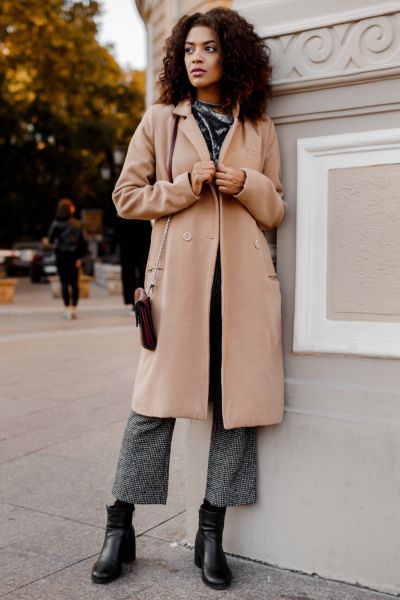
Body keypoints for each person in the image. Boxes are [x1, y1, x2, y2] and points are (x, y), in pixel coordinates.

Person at [91, 7, 287, 590]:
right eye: (188, 50)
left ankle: (211, 533)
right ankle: (119, 525)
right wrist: (186, 187)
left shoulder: (258, 126)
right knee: (151, 407)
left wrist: (245, 184)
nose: (195, 58)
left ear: (231, 55)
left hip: (244, 287)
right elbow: (126, 198)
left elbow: (276, 208)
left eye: (207, 48)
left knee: (236, 411)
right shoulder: (161, 120)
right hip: (177, 282)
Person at [48, 198, 86, 320]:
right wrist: (80, 257)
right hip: (74, 256)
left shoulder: (55, 224)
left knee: (64, 282)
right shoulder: (77, 223)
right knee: (75, 283)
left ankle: (67, 309)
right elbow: (82, 242)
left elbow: (50, 239)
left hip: (61, 256)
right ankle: (74, 308)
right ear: (70, 209)